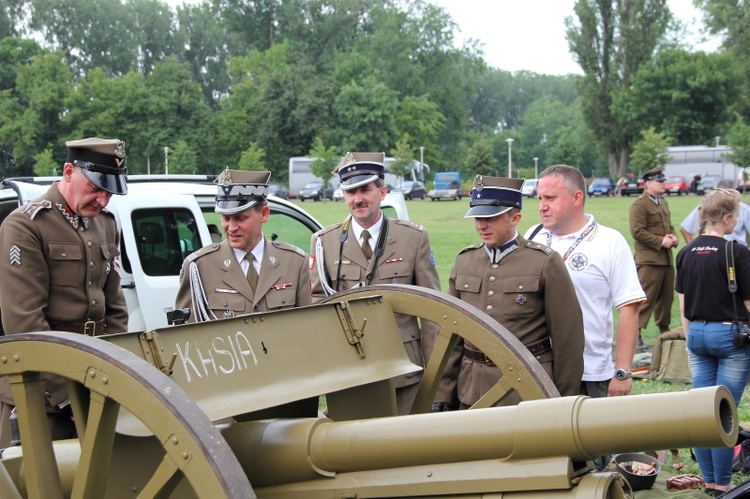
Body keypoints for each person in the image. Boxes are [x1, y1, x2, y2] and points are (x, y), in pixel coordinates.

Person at [0, 137, 129, 446]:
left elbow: (116, 310)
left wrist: (112, 379)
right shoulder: (26, 226)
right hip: (41, 393)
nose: (103, 201)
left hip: (94, 382)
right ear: (69, 171)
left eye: (109, 192)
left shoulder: (107, 225)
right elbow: (25, 323)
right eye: (96, 189)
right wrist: (69, 394)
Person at [432, 175, 584, 410]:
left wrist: (562, 399)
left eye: (490, 218)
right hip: (472, 391)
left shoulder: (544, 262)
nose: (481, 225)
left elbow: (568, 339)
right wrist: (443, 393)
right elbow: (452, 336)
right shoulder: (465, 261)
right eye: (477, 218)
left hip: (526, 392)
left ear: (515, 218)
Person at [310, 152, 441, 414]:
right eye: (350, 192)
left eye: (365, 190)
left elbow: (432, 313)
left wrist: (436, 377)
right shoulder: (325, 242)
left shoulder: (412, 238)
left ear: (382, 192)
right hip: (350, 372)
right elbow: (317, 307)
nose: (358, 199)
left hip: (405, 370)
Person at [525, 165, 646, 400]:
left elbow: (629, 308)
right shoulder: (532, 236)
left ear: (577, 197)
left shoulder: (609, 241)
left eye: (550, 198)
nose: (542, 206)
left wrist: (622, 373)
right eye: (539, 198)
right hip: (538, 369)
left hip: (590, 373)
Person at [675, 187, 750, 495]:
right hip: (729, 335)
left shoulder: (685, 252)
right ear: (727, 217)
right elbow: (748, 303)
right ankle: (722, 482)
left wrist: (691, 338)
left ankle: (708, 479)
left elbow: (682, 304)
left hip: (697, 334)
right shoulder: (737, 251)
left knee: (701, 412)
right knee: (724, 413)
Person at [175, 169, 311, 321]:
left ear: (264, 214)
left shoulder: (294, 263)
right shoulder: (199, 267)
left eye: (240, 218)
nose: (231, 227)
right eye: (226, 218)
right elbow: (187, 338)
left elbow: (307, 327)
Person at [629, 167, 679, 351]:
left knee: (666, 299)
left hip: (665, 259)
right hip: (649, 260)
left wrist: (673, 237)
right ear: (648, 183)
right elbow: (637, 231)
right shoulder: (639, 205)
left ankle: (664, 332)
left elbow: (669, 226)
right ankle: (636, 334)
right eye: (659, 181)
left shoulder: (662, 203)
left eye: (663, 181)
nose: (663, 184)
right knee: (645, 299)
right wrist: (661, 241)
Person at [680, 179, 750, 246]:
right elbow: (685, 229)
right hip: (710, 252)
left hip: (736, 254)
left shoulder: (744, 208)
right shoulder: (706, 207)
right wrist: (693, 249)